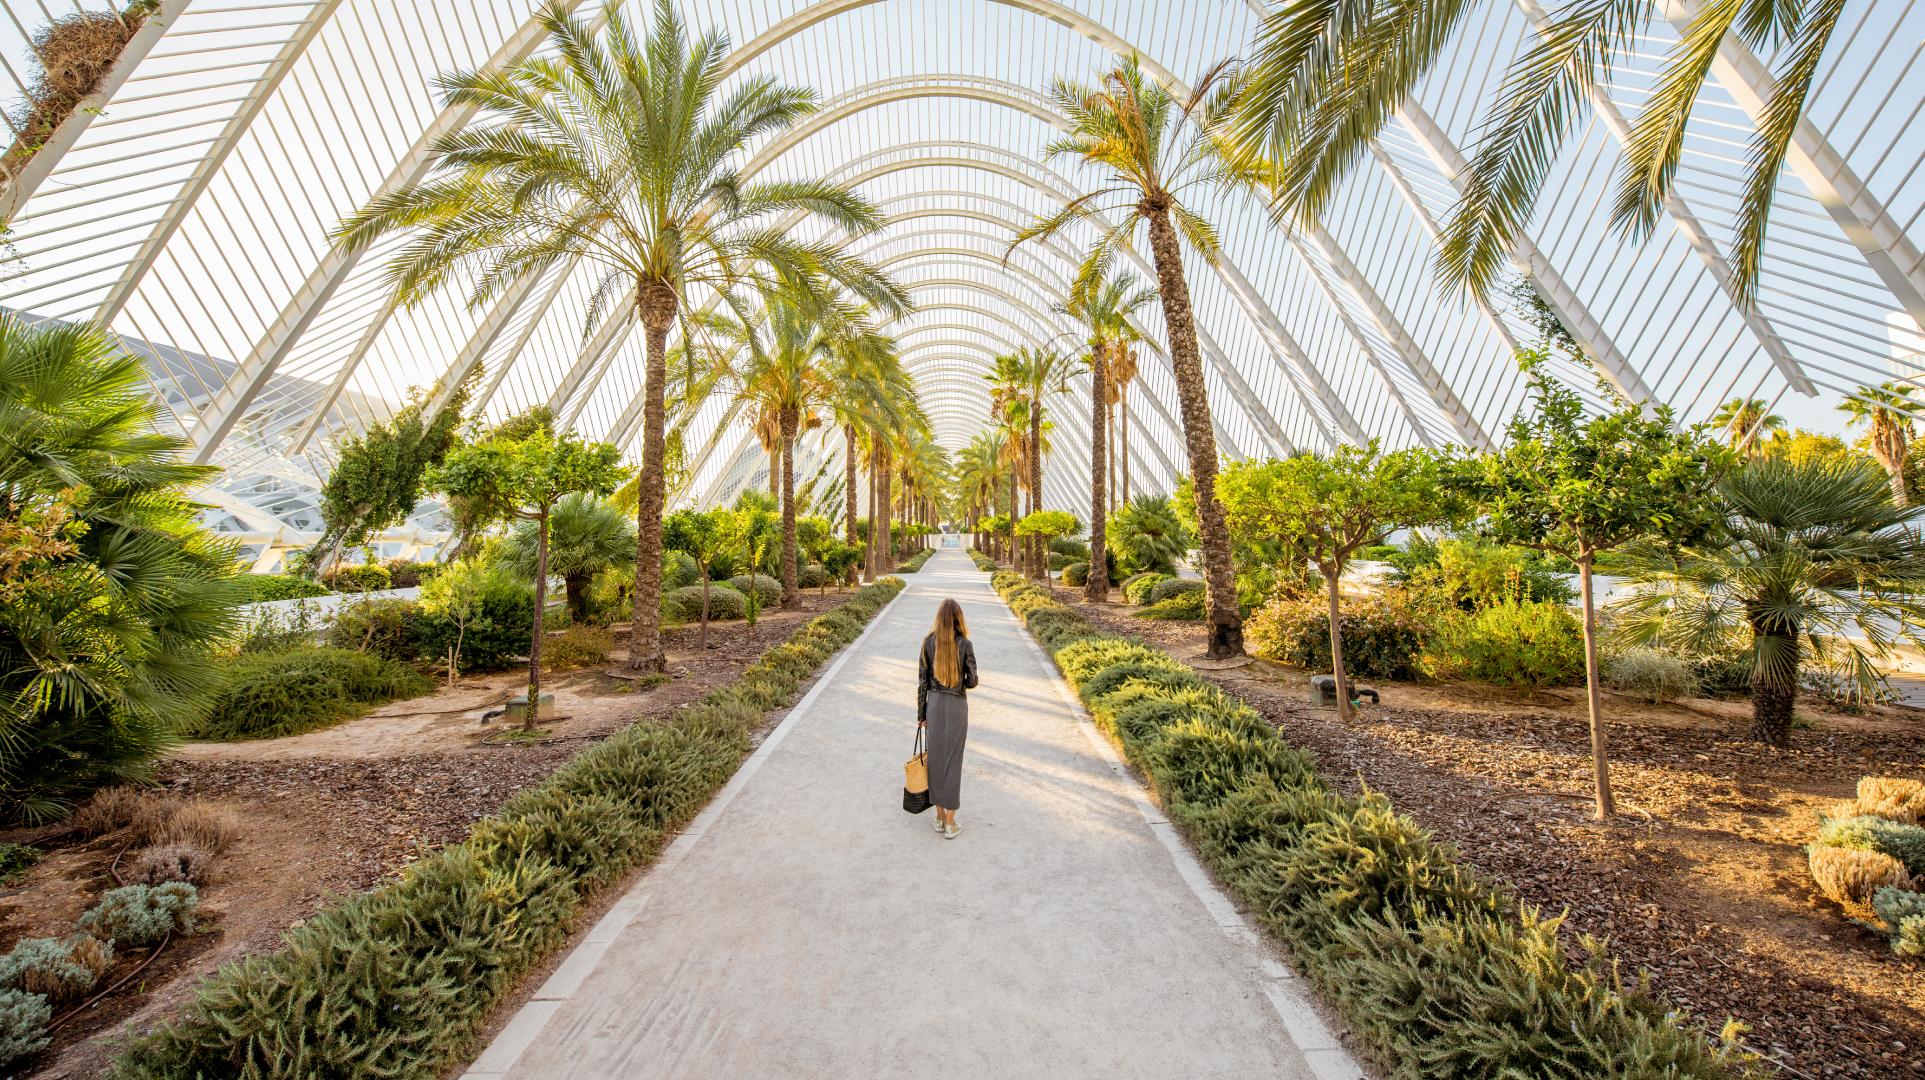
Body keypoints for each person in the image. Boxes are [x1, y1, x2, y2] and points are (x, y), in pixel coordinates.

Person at [918, 598, 978, 839]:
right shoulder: (965, 644)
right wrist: (959, 682)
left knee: (935, 761)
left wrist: (921, 715)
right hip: (956, 707)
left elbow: (922, 682)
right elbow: (972, 680)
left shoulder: (927, 643)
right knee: (953, 763)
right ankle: (952, 824)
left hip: (933, 705)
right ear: (958, 618)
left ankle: (940, 818)